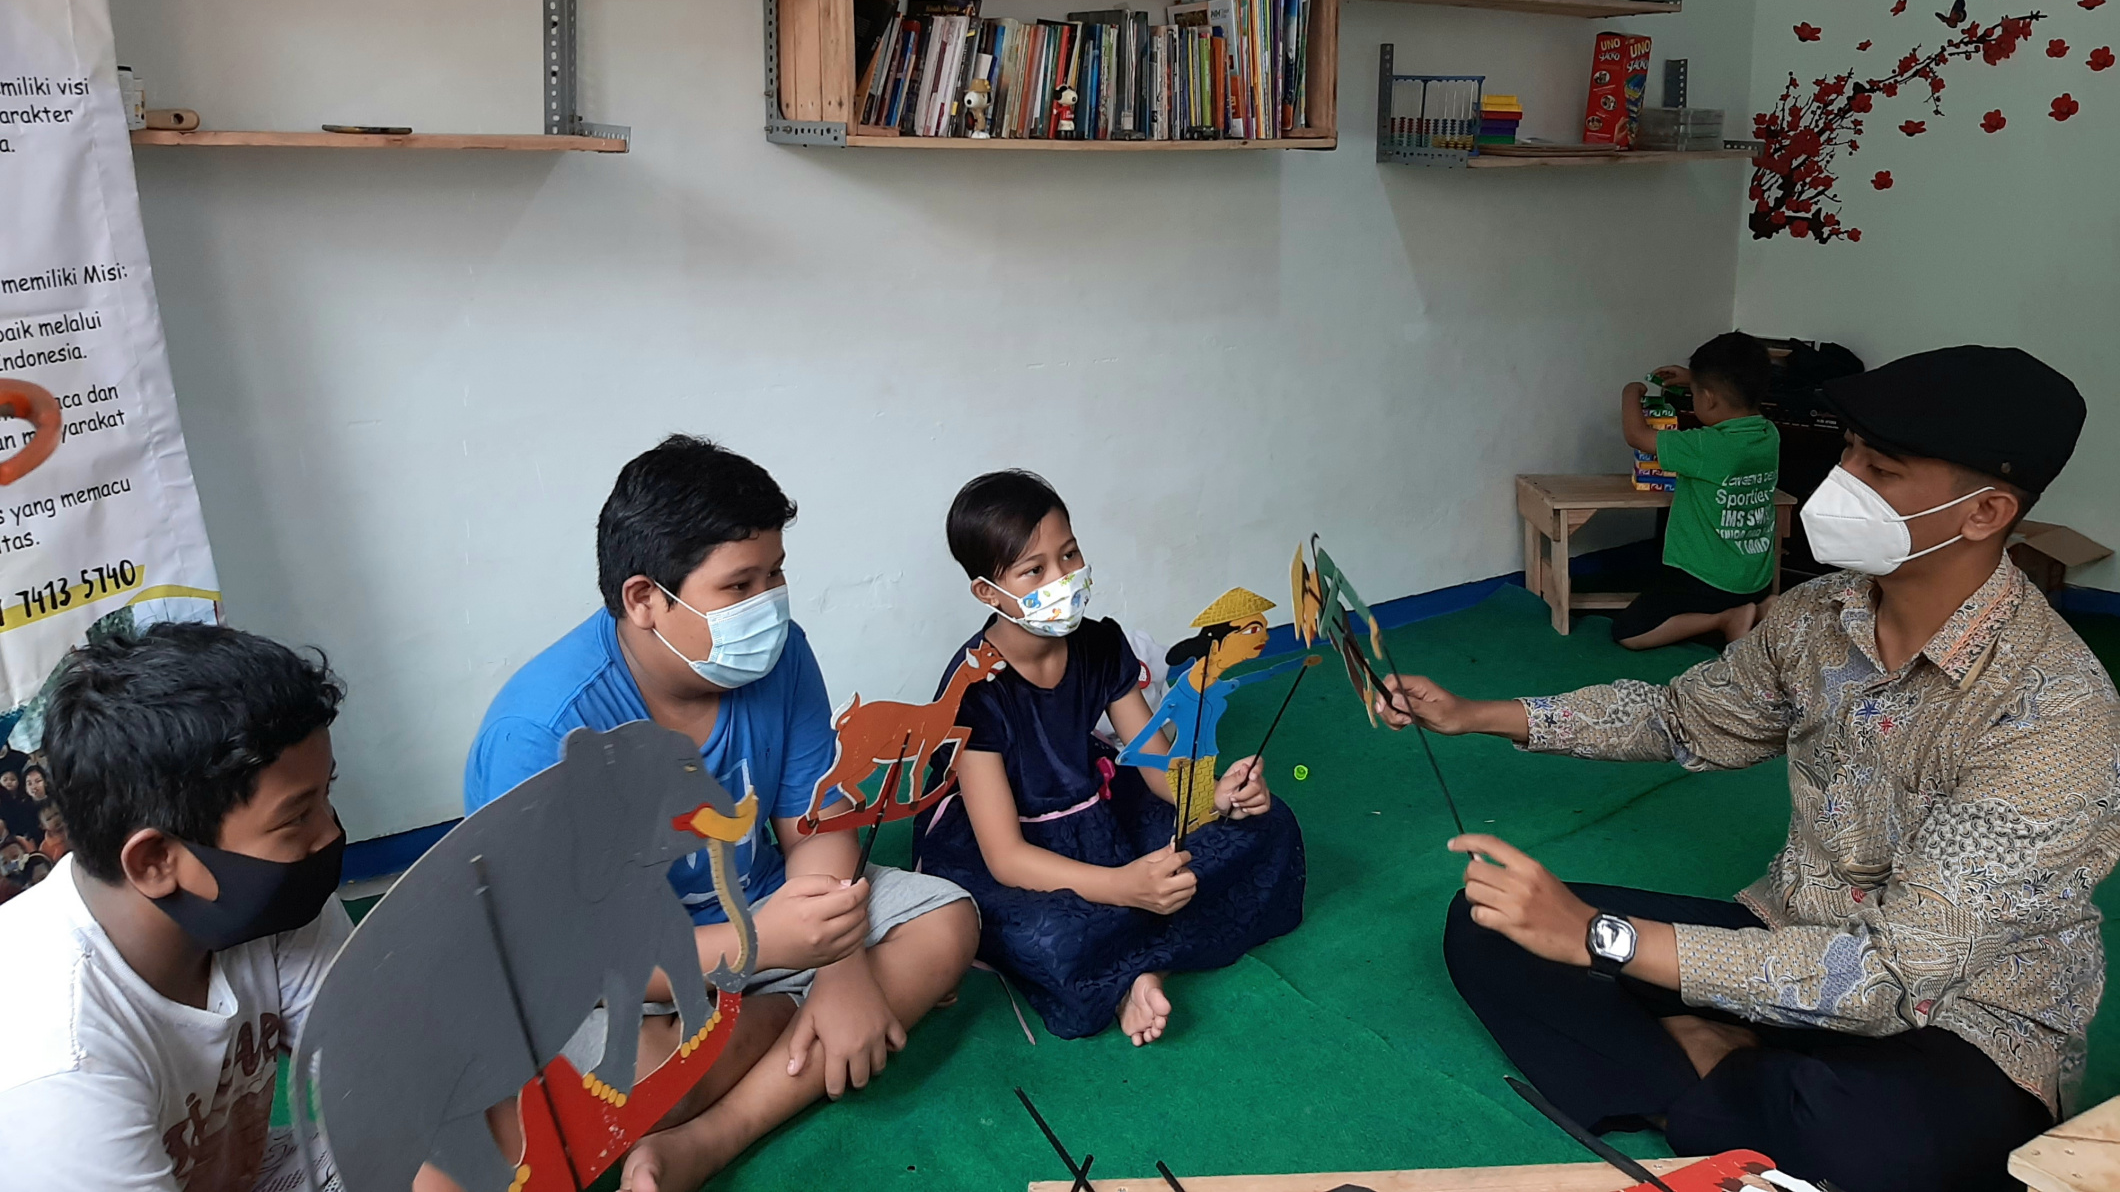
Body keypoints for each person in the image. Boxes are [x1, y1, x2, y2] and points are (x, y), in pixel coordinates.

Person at [1381, 346, 2118, 1192]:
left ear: (1984, 511)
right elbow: (1681, 715)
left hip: (1960, 1014)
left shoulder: (2056, 713)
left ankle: (1697, 1075)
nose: (1842, 481)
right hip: (1791, 936)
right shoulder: (1818, 613)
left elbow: (1889, 977)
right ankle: (1732, 1080)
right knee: (1490, 923)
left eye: (1880, 468)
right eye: (1846, 451)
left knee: (1895, 1152)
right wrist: (1479, 715)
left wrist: (1599, 937)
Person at [460, 435, 977, 1192]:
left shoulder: (783, 656)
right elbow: (571, 955)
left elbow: (815, 821)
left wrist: (837, 964)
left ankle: (711, 1137)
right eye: (739, 586)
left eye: (776, 574)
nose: (768, 603)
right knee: (630, 1076)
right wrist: (768, 947)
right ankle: (769, 1030)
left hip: (774, 911)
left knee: (949, 924)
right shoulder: (542, 734)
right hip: (608, 971)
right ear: (644, 600)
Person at [913, 471, 1304, 1046]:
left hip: (1097, 805)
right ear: (987, 593)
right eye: (1034, 570)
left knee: (1268, 826)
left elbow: (1155, 764)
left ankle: (1138, 968)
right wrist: (1122, 886)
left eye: (1069, 553)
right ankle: (1133, 967)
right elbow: (1007, 859)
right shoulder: (976, 688)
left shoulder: (1100, 642)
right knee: (1052, 939)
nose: (1064, 577)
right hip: (1014, 847)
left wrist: (1215, 794)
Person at [0, 624, 351, 1192]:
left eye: (325, 798)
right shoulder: (59, 1063)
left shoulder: (261, 902)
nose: (328, 833)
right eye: (296, 818)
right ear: (157, 861)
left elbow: (396, 1066)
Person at [1614, 332, 1781, 649]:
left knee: (1628, 633)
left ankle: (1724, 619)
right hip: (1755, 579)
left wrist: (1629, 392)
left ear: (1709, 398)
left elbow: (1637, 435)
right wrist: (1695, 380)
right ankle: (1760, 609)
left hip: (1705, 581)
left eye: (1694, 394)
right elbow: (1736, 390)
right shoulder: (1768, 434)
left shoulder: (1706, 446)